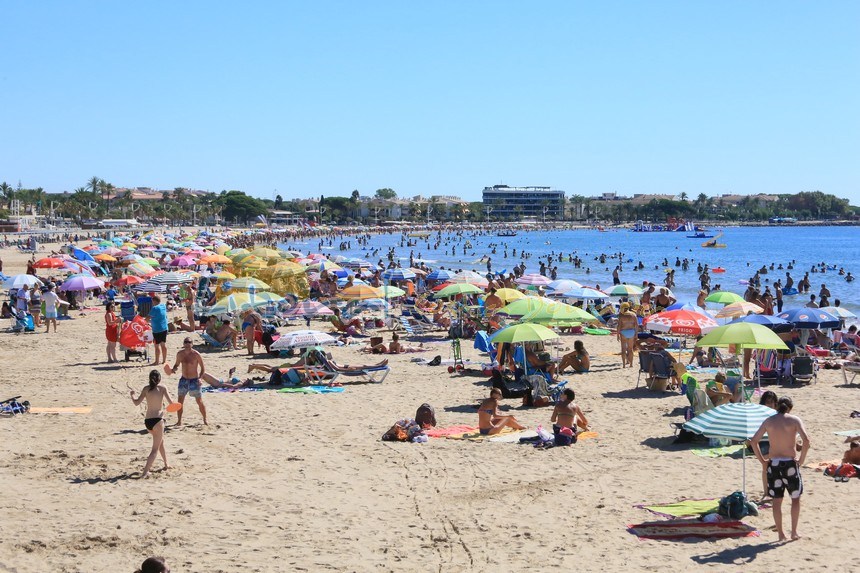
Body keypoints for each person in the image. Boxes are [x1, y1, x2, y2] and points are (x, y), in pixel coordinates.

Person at [750, 397, 810, 541]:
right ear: (789, 408)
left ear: (777, 406)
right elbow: (807, 441)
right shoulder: (794, 420)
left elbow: (753, 441)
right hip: (790, 463)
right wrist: (801, 459)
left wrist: (763, 462)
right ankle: (794, 532)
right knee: (795, 499)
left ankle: (781, 534)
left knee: (777, 501)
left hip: (774, 464)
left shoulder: (769, 421)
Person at [130, 371, 174, 478]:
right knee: (154, 449)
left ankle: (166, 464)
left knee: (160, 442)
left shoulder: (146, 389)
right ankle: (145, 472)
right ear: (159, 379)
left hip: (148, 422)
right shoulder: (162, 388)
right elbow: (171, 404)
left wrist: (132, 396)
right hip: (158, 421)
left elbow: (136, 403)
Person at [165, 337, 207, 425]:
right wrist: (173, 369)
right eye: (186, 342)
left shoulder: (196, 354)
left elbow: (203, 369)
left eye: (189, 342)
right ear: (183, 344)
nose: (187, 344)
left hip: (194, 380)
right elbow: (176, 365)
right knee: (180, 402)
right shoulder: (180, 354)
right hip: (183, 380)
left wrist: (200, 378)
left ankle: (205, 419)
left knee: (199, 401)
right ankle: (179, 421)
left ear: (192, 344)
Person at [616, 302, 639, 368]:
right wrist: (636, 334)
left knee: (623, 349)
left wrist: (617, 335)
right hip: (631, 332)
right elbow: (636, 325)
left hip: (623, 332)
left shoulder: (622, 315)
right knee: (630, 349)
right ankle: (631, 364)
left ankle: (623, 365)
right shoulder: (633, 315)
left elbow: (619, 326)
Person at [149, 295, 169, 365]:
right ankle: (164, 360)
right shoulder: (163, 306)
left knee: (156, 345)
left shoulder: (154, 308)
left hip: (157, 329)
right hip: (164, 328)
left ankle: (157, 361)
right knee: (163, 344)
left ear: (154, 301)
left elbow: (148, 318)